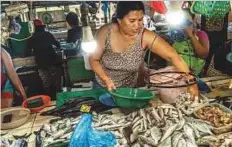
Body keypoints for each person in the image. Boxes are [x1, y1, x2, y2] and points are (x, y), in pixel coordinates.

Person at [89, 1, 198, 98]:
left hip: (129, 90)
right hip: (103, 86)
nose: (138, 25)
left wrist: (192, 83)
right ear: (119, 20)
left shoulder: (145, 36)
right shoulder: (105, 32)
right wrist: (106, 80)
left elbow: (173, 56)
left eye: (140, 20)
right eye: (132, 21)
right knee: (94, 112)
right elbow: (93, 60)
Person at [27, 19, 61, 98]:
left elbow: (27, 52)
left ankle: (49, 97)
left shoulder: (31, 38)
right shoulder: (48, 34)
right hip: (51, 61)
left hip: (40, 63)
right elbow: (57, 44)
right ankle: (57, 95)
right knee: (55, 80)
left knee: (46, 81)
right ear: (43, 27)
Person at [169, 9, 209, 76]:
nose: (183, 24)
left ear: (193, 21)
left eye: (186, 21)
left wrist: (191, 35)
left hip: (197, 74)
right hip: (178, 73)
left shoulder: (200, 34)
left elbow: (203, 54)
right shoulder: (172, 36)